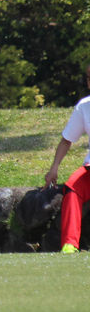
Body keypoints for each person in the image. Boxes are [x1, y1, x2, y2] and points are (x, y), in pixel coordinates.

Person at [42, 64, 90, 253]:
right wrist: (54, 168)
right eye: (88, 77)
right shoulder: (84, 107)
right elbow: (66, 141)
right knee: (73, 186)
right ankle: (70, 245)